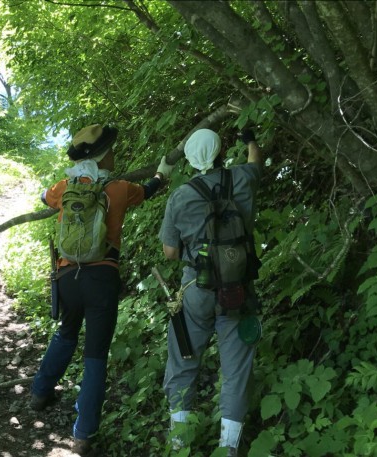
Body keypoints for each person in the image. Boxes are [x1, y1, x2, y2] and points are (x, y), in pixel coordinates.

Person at [30, 124, 175, 455]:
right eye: (110, 149)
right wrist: (162, 174)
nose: (114, 153)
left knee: (66, 332)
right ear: (102, 155)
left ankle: (39, 392)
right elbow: (149, 189)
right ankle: (82, 434)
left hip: (67, 277)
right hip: (102, 279)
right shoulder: (120, 188)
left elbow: (44, 197)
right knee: (95, 354)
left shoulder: (64, 186)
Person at [158, 128, 263, 457]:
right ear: (220, 152)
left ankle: (180, 441)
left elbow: (170, 253)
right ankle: (228, 448)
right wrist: (249, 140)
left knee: (183, 362)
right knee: (236, 372)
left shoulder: (181, 196)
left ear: (189, 160)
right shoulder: (243, 178)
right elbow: (256, 162)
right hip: (237, 290)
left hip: (197, 290)